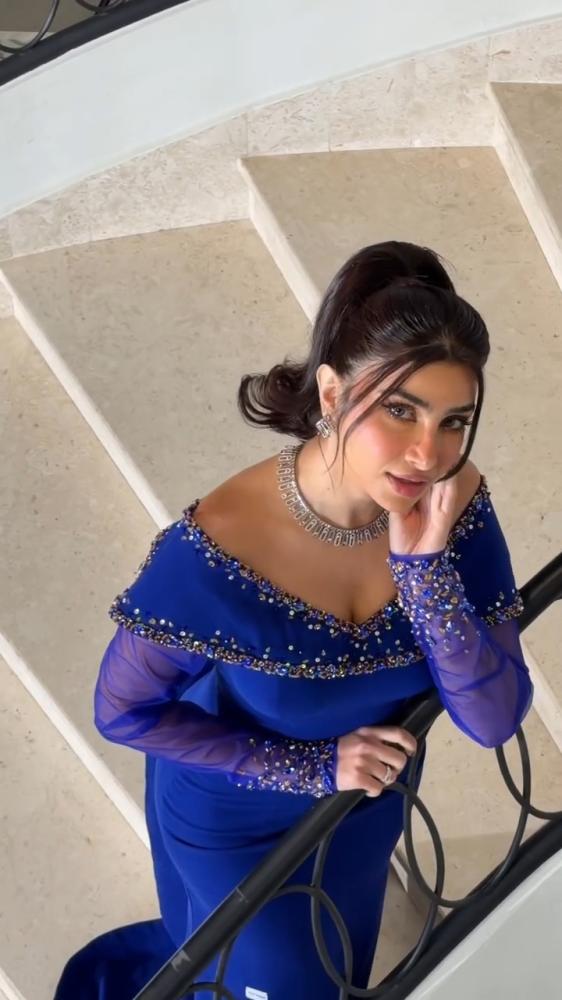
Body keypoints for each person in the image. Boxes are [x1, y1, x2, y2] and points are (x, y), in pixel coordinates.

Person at [54, 241, 533, 1000]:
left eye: (454, 421)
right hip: (236, 821)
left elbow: (493, 718)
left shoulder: (453, 502)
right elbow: (121, 712)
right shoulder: (216, 549)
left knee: (337, 968)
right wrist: (312, 768)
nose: (426, 453)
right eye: (400, 410)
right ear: (333, 393)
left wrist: (425, 574)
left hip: (361, 811)